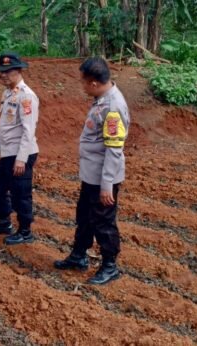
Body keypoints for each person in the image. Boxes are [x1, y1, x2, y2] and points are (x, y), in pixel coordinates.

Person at [54, 57, 130, 285]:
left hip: (103, 178)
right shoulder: (102, 99)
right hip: (91, 175)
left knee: (103, 222)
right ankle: (79, 255)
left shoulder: (112, 106)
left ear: (94, 83)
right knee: (85, 217)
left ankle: (110, 266)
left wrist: (107, 185)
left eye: (83, 82)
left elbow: (114, 149)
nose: (82, 86)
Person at [0, 52, 40, 245]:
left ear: (18, 71)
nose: (3, 75)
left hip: (21, 153)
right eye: (1, 72)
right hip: (8, 152)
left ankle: (25, 231)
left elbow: (28, 130)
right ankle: (4, 222)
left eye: (7, 72)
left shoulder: (27, 97)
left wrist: (21, 159)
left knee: (20, 192)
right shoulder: (7, 93)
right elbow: (3, 124)